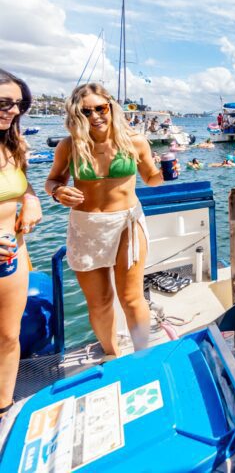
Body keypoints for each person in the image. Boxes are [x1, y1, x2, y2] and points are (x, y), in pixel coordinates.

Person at [45, 83, 163, 357]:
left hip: (127, 225)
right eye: (86, 111)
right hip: (86, 227)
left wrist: (165, 173)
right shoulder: (69, 146)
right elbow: (52, 180)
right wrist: (58, 192)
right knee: (99, 302)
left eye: (101, 108)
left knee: (131, 298)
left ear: (111, 107)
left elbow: (151, 179)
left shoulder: (135, 141)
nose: (96, 115)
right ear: (76, 114)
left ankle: (142, 357)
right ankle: (112, 355)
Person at [0, 70, 43, 420]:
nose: (12, 111)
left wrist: (31, 199)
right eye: (3, 103)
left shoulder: (13, 147)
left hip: (11, 255)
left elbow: (21, 186)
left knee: (8, 337)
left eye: (18, 104)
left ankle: (3, 409)